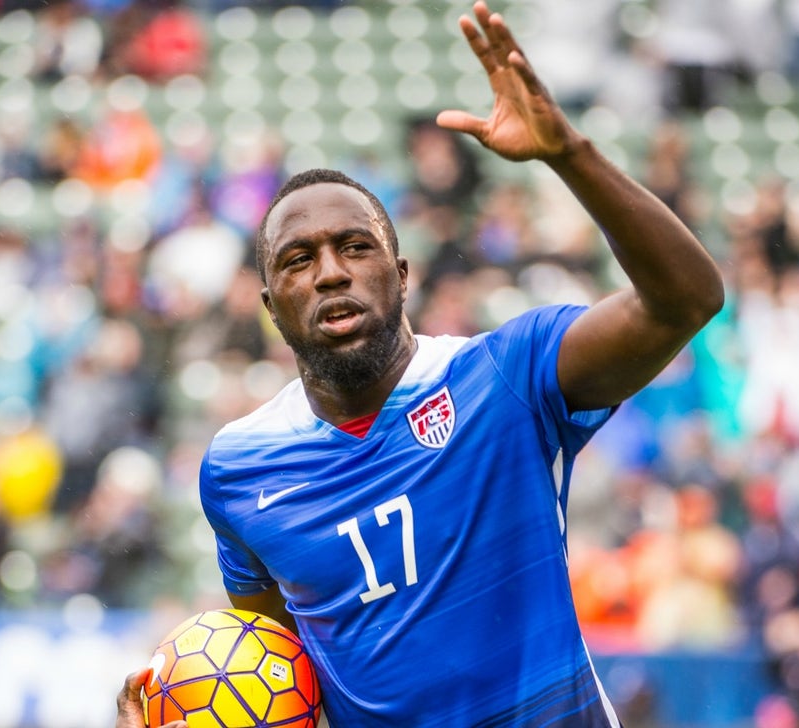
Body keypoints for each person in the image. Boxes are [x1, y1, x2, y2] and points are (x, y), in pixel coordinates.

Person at [116, 2, 724, 726]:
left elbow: (685, 300)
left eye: (356, 246)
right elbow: (279, 675)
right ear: (270, 305)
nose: (332, 272)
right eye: (299, 260)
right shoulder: (239, 470)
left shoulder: (506, 376)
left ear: (402, 274)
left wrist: (570, 154)